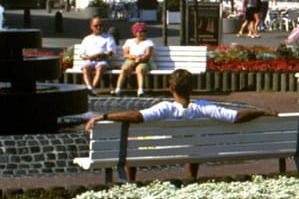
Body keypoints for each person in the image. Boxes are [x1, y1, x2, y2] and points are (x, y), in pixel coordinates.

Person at [85, 69, 271, 180]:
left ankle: (131, 181)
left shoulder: (165, 108)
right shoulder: (203, 107)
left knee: (134, 142)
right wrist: (261, 111)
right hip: (192, 151)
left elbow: (136, 116)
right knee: (192, 144)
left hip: (161, 150)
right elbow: (236, 117)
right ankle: (191, 178)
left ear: (170, 89)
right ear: (192, 89)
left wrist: (104, 116)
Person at [112, 23, 155, 96]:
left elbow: (148, 54)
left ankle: (140, 90)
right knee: (124, 69)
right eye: (140, 31)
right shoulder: (129, 41)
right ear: (135, 33)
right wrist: (135, 58)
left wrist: (138, 60)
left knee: (140, 70)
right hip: (131, 59)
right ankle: (118, 89)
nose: (143, 33)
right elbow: (125, 54)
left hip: (144, 60)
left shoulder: (149, 42)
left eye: (144, 31)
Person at [78, 18, 118, 93]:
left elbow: (111, 52)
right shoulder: (87, 39)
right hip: (89, 60)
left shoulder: (108, 37)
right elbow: (81, 54)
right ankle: (90, 87)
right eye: (96, 26)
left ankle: (91, 89)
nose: (99, 27)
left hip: (102, 60)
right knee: (85, 68)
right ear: (91, 27)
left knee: (100, 68)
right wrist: (89, 57)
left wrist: (100, 55)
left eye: (101, 25)